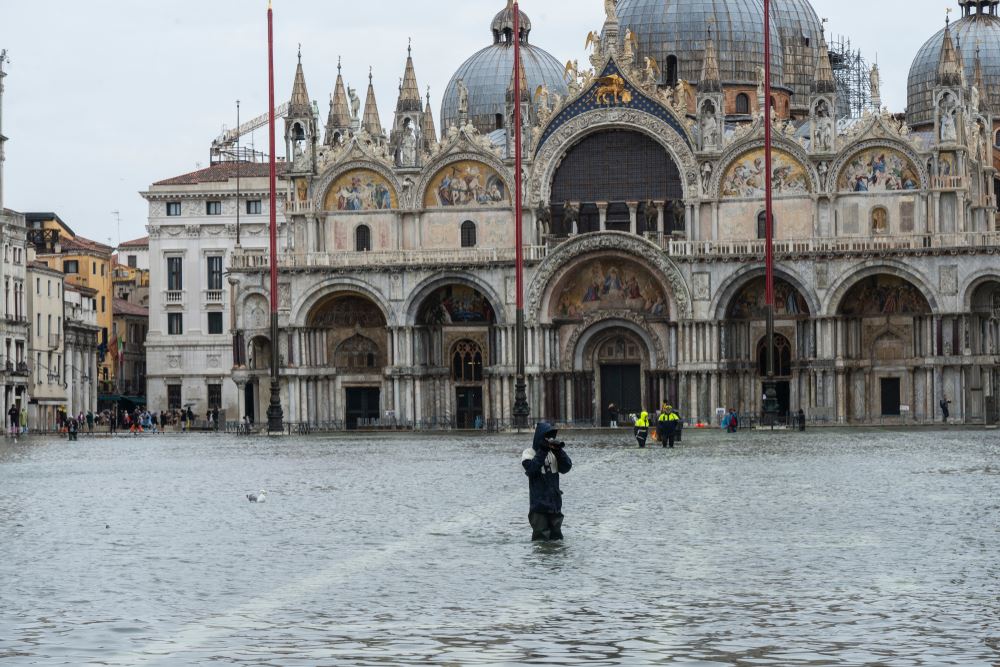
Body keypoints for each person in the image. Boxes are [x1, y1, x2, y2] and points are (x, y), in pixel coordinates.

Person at [521, 422, 572, 541]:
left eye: (551, 437)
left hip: (555, 504)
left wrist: (559, 451)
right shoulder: (528, 453)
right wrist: (543, 450)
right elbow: (532, 469)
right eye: (546, 437)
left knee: (557, 539)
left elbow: (567, 467)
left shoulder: (554, 453)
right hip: (538, 506)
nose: (549, 440)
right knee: (541, 540)